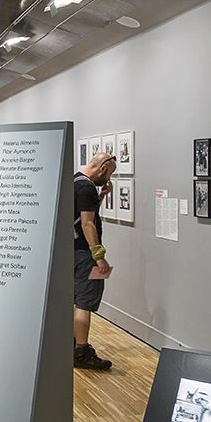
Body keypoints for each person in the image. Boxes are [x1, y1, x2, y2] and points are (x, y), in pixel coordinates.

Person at [72, 151, 116, 369]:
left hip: (70, 251)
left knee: (74, 299)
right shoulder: (87, 186)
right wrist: (99, 257)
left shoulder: (74, 181)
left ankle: (71, 344)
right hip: (84, 253)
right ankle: (81, 351)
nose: (108, 179)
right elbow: (87, 223)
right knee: (85, 301)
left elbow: (80, 214)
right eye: (108, 175)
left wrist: (102, 196)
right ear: (103, 168)